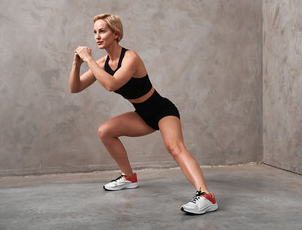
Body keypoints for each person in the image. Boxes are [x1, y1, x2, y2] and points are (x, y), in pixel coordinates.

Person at [69, 13, 218, 214]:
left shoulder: (130, 57)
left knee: (174, 147)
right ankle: (129, 177)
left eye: (102, 31)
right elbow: (75, 88)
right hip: (142, 114)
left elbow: (111, 85)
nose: (97, 36)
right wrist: (77, 64)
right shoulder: (103, 63)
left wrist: (88, 59)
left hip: (162, 110)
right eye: (94, 32)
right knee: (105, 131)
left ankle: (206, 196)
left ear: (115, 33)